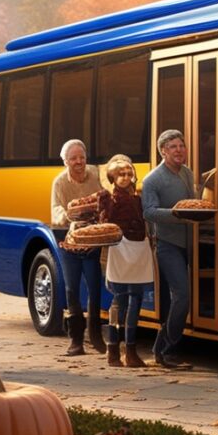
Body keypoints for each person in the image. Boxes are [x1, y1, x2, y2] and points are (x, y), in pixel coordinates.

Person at [141, 129, 194, 369]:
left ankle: (160, 349)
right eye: (173, 147)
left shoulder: (187, 173)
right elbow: (149, 212)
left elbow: (193, 205)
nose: (179, 150)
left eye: (181, 146)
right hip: (166, 244)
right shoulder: (153, 179)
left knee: (182, 297)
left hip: (189, 244)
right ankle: (168, 348)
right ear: (163, 151)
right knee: (182, 294)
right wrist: (176, 214)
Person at [97, 154, 153, 368]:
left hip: (138, 251)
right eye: (121, 174)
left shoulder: (138, 200)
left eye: (129, 174)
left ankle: (131, 349)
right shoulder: (108, 199)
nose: (126, 177)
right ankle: (113, 348)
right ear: (112, 177)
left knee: (136, 300)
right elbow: (104, 224)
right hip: (118, 253)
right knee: (119, 300)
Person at [51, 139, 104, 355]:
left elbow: (105, 199)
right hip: (69, 241)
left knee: (94, 286)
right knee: (71, 288)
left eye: (81, 157)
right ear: (65, 161)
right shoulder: (60, 182)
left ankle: (96, 335)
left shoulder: (96, 175)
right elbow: (55, 210)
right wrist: (70, 216)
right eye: (73, 159)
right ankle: (75, 340)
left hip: (92, 240)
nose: (79, 162)